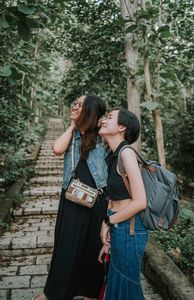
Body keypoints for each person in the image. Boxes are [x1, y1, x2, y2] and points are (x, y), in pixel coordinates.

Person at [33, 95, 108, 300]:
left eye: (80, 105)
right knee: (66, 246)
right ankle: (54, 293)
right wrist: (73, 125)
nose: (74, 106)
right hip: (72, 199)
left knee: (93, 247)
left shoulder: (102, 136)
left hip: (98, 201)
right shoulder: (74, 135)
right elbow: (57, 149)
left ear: (90, 111)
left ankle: (90, 292)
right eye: (75, 103)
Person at [98, 109, 148, 300]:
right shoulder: (112, 154)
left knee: (127, 287)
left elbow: (140, 202)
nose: (104, 120)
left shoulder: (126, 154)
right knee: (117, 285)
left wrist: (108, 221)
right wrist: (108, 234)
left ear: (121, 127)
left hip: (130, 229)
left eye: (110, 117)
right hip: (120, 227)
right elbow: (113, 198)